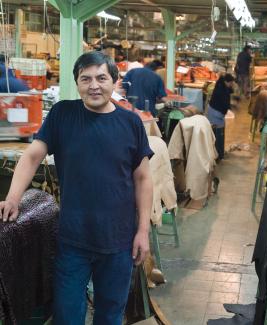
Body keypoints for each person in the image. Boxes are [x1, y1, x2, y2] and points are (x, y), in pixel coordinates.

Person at [0, 51, 154, 324]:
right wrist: (13, 198)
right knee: (67, 315)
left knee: (110, 315)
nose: (94, 85)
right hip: (73, 239)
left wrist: (142, 230)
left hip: (119, 240)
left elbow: (143, 178)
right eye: (86, 79)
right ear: (77, 83)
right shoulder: (63, 114)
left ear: (114, 81)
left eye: (101, 78)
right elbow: (33, 155)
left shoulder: (131, 123)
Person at [207, 73, 235, 160]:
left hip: (214, 112)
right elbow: (225, 103)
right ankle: (218, 155)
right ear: (226, 82)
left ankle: (217, 153)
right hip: (215, 113)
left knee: (216, 133)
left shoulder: (222, 85)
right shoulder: (221, 89)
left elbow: (231, 91)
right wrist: (229, 107)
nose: (232, 85)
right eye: (231, 83)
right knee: (218, 134)